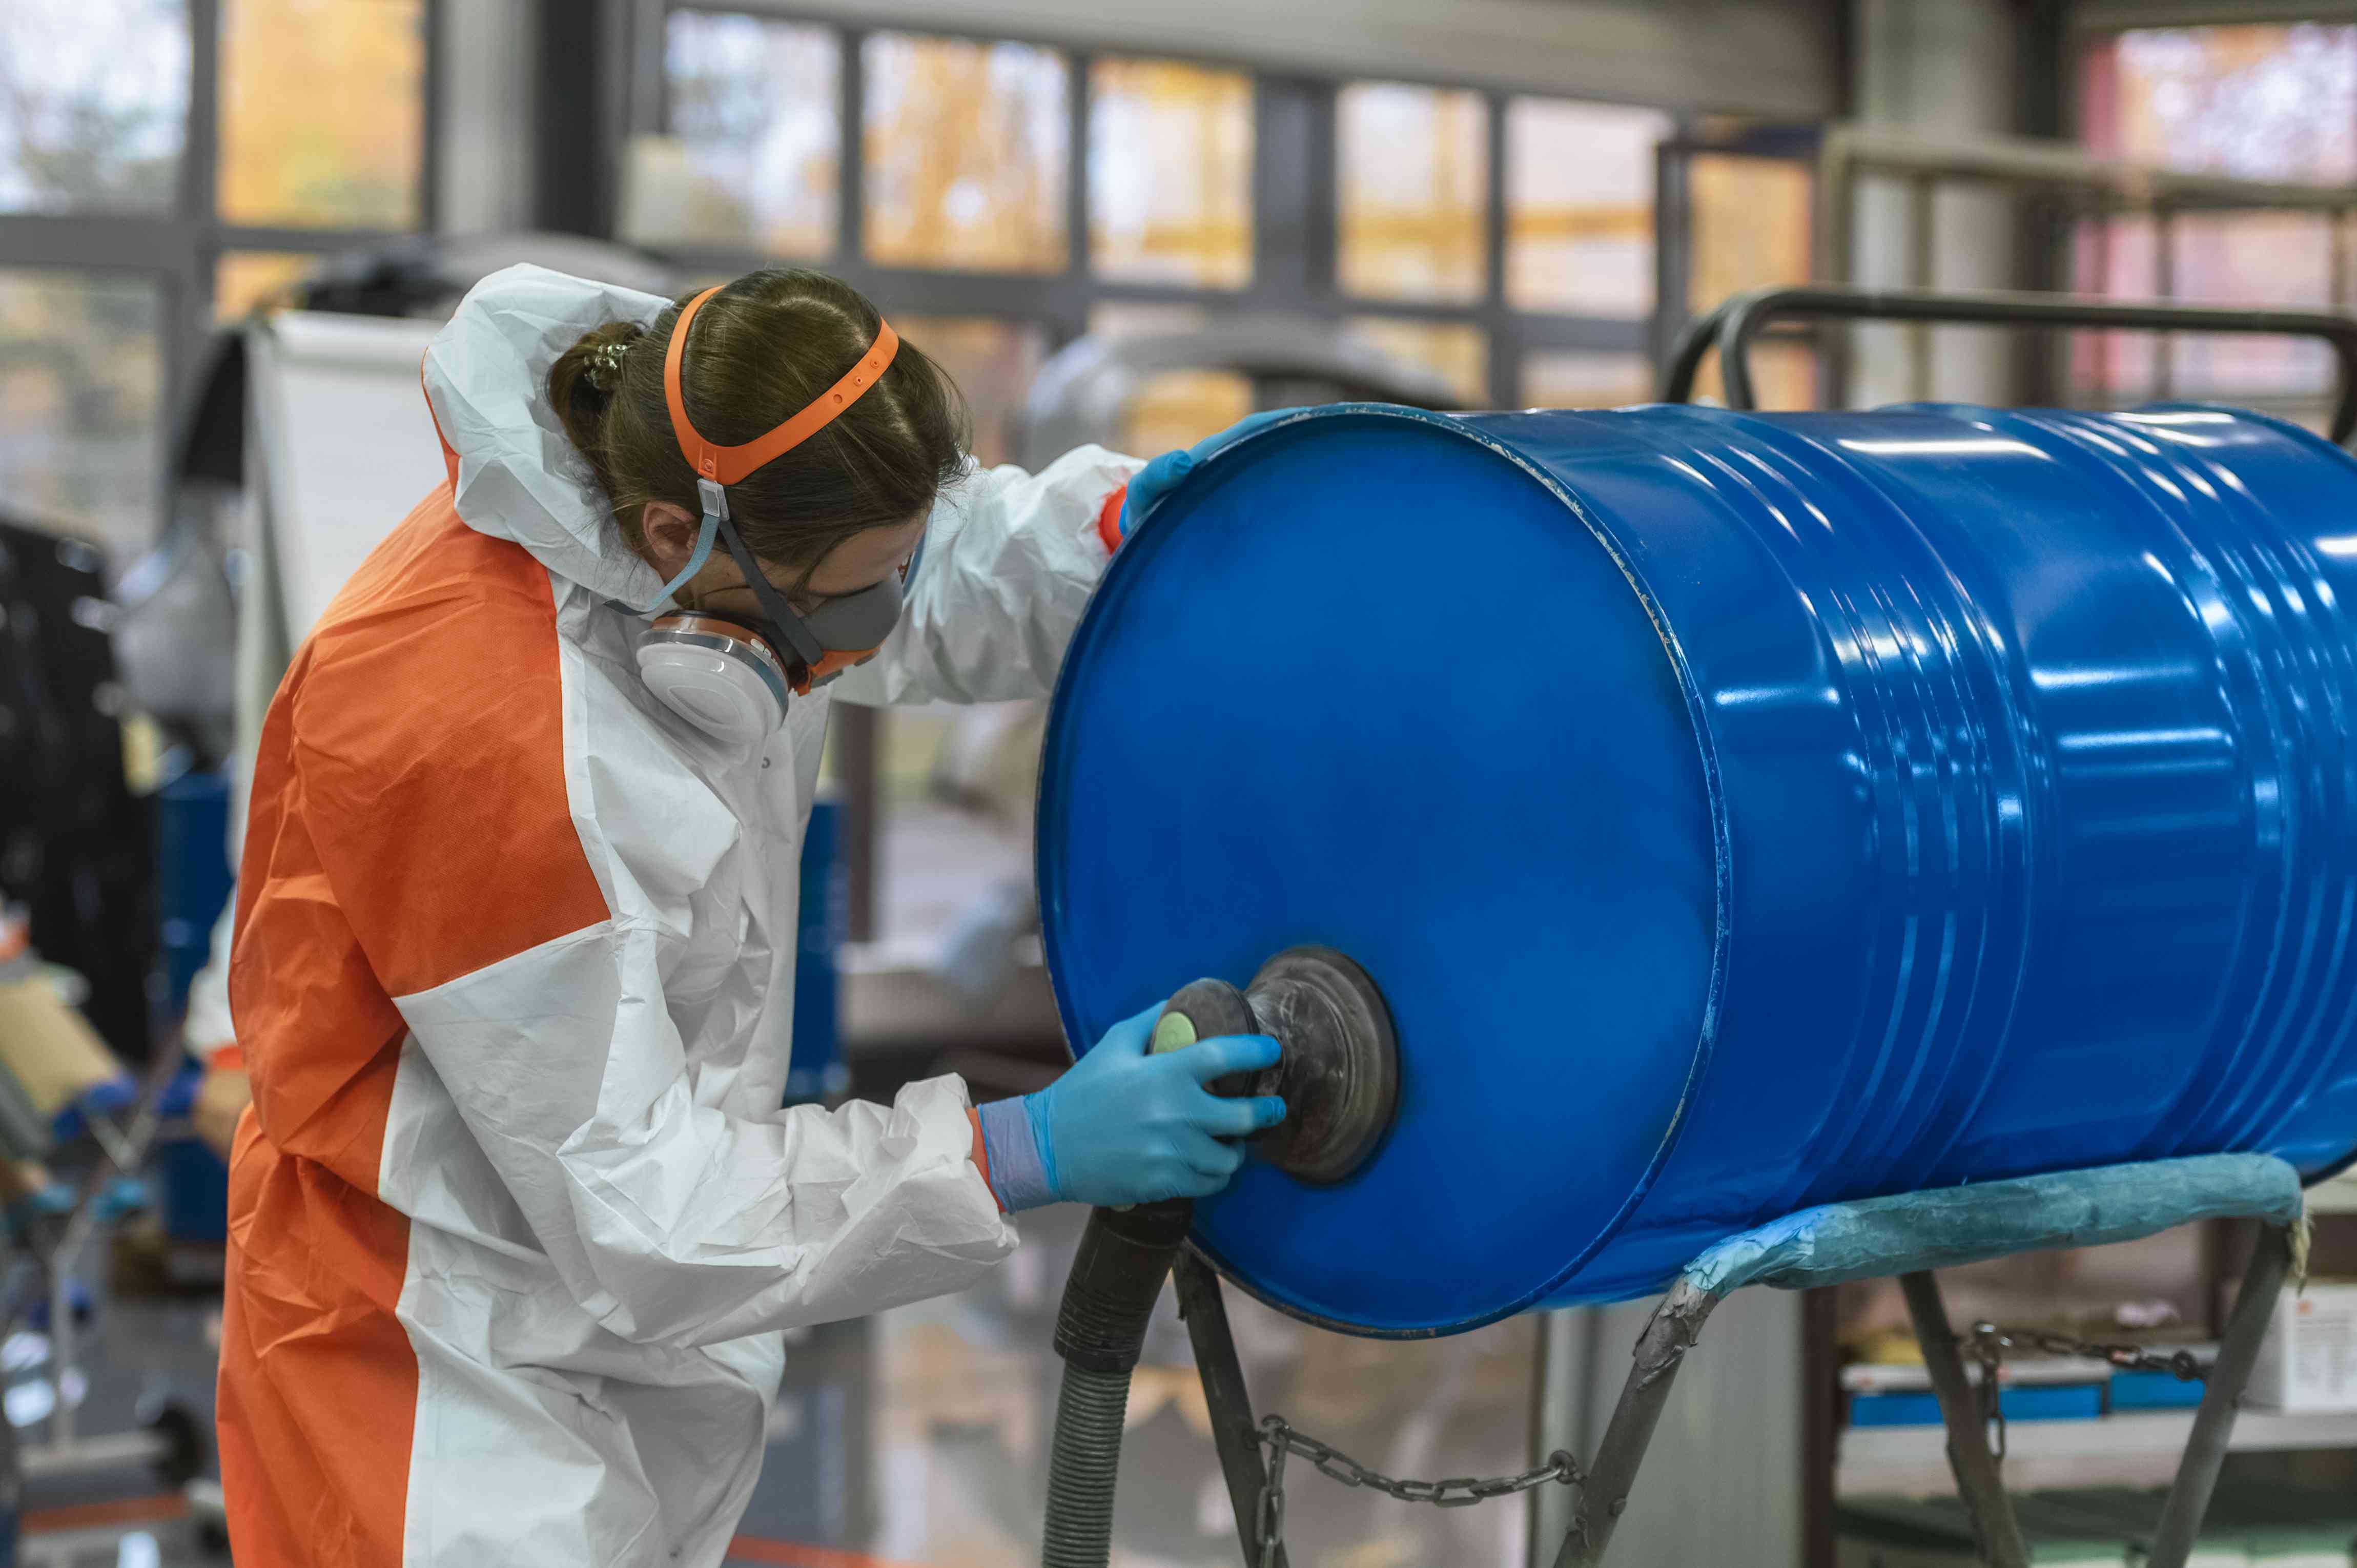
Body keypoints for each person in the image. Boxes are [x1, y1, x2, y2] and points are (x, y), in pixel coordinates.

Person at [215, 262, 1286, 1568]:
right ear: (676, 536)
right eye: (852, 595)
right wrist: (1020, 1150)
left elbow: (924, 573)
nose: (881, 626)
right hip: (438, 1381)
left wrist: (1117, 534)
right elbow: (648, 1216)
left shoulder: (707, 550)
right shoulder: (477, 739)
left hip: (625, 1330)